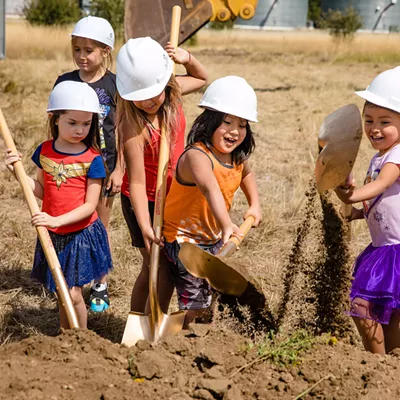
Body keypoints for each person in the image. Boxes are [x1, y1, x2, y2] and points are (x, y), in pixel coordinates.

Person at [5, 81, 113, 329]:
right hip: (54, 234)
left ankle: (81, 338)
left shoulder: (92, 159)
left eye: (86, 124)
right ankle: (68, 338)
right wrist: (16, 173)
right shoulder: (45, 151)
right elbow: (42, 191)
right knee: (61, 294)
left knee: (73, 294)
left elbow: (90, 206)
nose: (80, 130)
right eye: (72, 123)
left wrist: (56, 220)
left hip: (80, 234)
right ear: (55, 119)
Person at [116, 37, 207, 313]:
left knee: (159, 268)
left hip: (173, 196)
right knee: (158, 267)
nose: (147, 102)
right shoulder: (133, 124)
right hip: (143, 201)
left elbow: (202, 79)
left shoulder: (173, 91)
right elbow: (138, 181)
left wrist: (186, 58)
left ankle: (150, 325)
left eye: (153, 94)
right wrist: (144, 223)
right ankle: (143, 325)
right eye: (139, 97)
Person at [162, 76, 262, 328]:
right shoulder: (197, 155)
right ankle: (185, 341)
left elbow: (246, 174)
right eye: (227, 122)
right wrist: (228, 224)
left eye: (242, 124)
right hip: (184, 240)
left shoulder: (236, 157)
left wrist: (254, 204)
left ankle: (197, 333)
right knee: (196, 301)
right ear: (209, 121)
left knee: (210, 294)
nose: (234, 131)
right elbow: (209, 189)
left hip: (212, 237)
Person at [54, 16, 121, 312]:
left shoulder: (115, 85)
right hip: (69, 170)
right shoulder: (64, 82)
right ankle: (71, 279)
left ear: (106, 50)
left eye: (89, 50)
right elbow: (54, 125)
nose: (82, 56)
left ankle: (99, 281)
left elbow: (122, 129)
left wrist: (120, 169)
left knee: (98, 227)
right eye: (77, 49)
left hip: (103, 168)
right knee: (71, 225)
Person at [335, 67, 400, 354]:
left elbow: (381, 185)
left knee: (363, 304)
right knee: (390, 316)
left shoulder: (396, 157)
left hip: (394, 252)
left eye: (385, 121)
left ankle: (378, 364)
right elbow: (378, 201)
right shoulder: (378, 157)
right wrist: (356, 211)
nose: (375, 128)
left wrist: (351, 196)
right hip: (380, 249)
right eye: (369, 119)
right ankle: (388, 367)